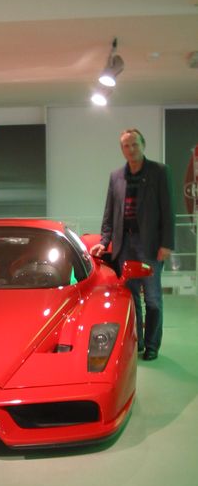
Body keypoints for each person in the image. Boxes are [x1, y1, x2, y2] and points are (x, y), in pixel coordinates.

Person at [91, 128, 175, 361]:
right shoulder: (116, 176)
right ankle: (137, 343)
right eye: (126, 146)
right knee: (131, 297)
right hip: (124, 244)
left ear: (143, 145)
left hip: (150, 245)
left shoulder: (159, 172)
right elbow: (109, 213)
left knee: (153, 299)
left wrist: (166, 243)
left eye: (135, 144)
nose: (131, 149)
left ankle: (152, 345)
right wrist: (104, 241)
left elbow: (168, 210)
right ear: (122, 150)